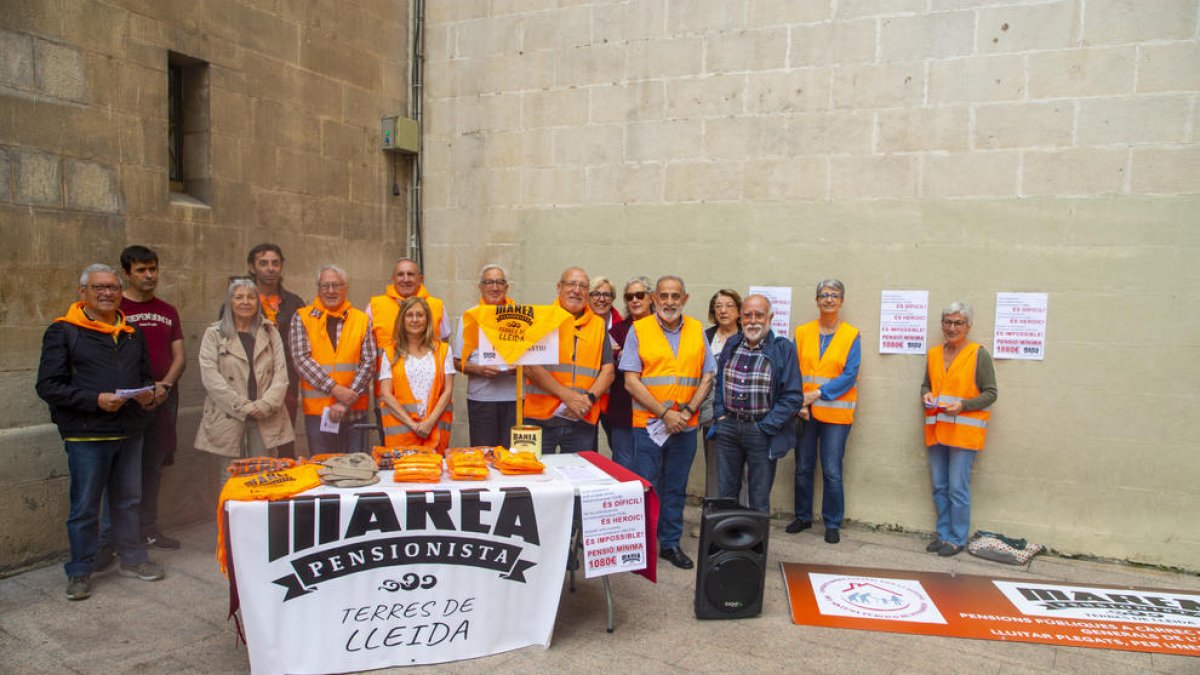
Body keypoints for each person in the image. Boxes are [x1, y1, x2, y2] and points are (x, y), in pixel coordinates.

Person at [36, 264, 164, 601]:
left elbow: (144, 376)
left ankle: (132, 559)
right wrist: (94, 400)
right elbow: (48, 386)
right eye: (98, 288)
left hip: (129, 430)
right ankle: (80, 570)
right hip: (87, 434)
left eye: (112, 287)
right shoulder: (63, 331)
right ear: (83, 293)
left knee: (128, 501)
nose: (106, 293)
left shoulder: (132, 332)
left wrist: (148, 393)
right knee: (85, 506)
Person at [622, 275, 715, 569]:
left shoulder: (697, 330)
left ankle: (670, 544)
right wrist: (665, 414)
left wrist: (686, 413)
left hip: (685, 427)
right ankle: (641, 548)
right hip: (649, 426)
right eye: (664, 296)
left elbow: (708, 376)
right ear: (654, 299)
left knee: (676, 487)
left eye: (676, 296)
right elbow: (630, 381)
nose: (670, 301)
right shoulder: (639, 330)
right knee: (646, 486)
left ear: (685, 299)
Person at [113, 245, 185, 551]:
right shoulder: (116, 309)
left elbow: (179, 355)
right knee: (123, 471)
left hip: (162, 398)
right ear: (127, 273)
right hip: (129, 401)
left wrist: (164, 386)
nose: (149, 275)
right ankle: (120, 537)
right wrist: (141, 392)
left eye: (153, 268)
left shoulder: (167, 310)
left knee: (153, 466)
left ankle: (150, 528)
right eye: (141, 270)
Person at [710, 295, 803, 513]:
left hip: (761, 431)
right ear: (741, 318)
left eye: (759, 315)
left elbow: (793, 396)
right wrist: (720, 415)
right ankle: (727, 544)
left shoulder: (783, 349)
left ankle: (755, 547)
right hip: (728, 428)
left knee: (759, 497)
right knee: (726, 494)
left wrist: (765, 427)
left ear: (770, 317)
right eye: (748, 315)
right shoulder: (732, 344)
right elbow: (719, 382)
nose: (753, 320)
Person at [922, 302, 998, 557]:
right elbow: (926, 385)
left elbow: (991, 393)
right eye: (947, 322)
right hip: (937, 429)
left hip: (963, 434)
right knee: (940, 486)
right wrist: (926, 395)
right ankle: (943, 534)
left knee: (957, 487)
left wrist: (964, 405)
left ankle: (957, 538)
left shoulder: (978, 354)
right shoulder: (933, 354)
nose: (952, 327)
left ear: (968, 326)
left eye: (958, 323)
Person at [788, 279, 861, 544]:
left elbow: (850, 375)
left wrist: (817, 394)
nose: (828, 299)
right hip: (805, 413)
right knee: (803, 466)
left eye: (834, 295)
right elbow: (792, 370)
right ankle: (803, 516)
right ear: (817, 300)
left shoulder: (851, 334)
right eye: (823, 295)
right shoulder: (803, 332)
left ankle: (832, 522)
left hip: (836, 416)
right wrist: (802, 403)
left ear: (841, 301)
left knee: (831, 469)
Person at [195, 279, 295, 461]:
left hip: (264, 415)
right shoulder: (214, 334)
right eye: (239, 297)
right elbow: (211, 378)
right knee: (230, 478)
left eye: (251, 297)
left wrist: (263, 405)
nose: (245, 302)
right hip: (228, 415)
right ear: (229, 302)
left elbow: (281, 375)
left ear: (258, 302)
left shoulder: (270, 331)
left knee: (262, 476)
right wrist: (243, 407)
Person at [523, 267, 615, 453]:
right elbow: (531, 368)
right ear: (559, 287)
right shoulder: (540, 320)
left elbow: (608, 370)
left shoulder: (598, 325)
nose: (577, 290)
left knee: (579, 478)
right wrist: (568, 397)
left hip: (582, 419)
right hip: (539, 418)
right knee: (534, 477)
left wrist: (587, 399)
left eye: (583, 286)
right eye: (571, 284)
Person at [289, 264, 377, 454]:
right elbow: (301, 360)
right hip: (318, 414)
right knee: (323, 470)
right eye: (325, 286)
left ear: (346, 287)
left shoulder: (361, 320)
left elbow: (369, 362)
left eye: (336, 285)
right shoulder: (302, 317)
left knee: (356, 472)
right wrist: (336, 390)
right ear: (318, 288)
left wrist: (345, 401)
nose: (331, 291)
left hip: (354, 412)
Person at [246, 243, 305, 458]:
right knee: (252, 447)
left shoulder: (294, 302)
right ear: (252, 267)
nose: (270, 268)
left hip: (285, 382)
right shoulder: (240, 300)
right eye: (263, 263)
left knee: (286, 444)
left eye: (275, 263)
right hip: (250, 381)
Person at [453, 264, 518, 447]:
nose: (494, 287)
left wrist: (521, 368)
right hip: (482, 399)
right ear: (480, 287)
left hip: (514, 399)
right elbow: (458, 362)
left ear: (506, 287)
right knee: (485, 455)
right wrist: (479, 369)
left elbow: (532, 357)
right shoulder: (470, 317)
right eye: (489, 282)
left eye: (499, 282)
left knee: (512, 456)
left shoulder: (521, 316)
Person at [379, 297, 455, 450]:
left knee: (433, 473)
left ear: (427, 319)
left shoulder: (443, 350)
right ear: (402, 319)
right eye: (409, 315)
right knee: (403, 473)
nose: (415, 319)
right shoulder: (390, 352)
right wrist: (413, 425)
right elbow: (385, 393)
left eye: (420, 315)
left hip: (434, 430)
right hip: (402, 432)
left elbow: (447, 391)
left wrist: (428, 423)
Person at [606, 275, 654, 468]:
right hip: (623, 412)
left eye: (640, 295)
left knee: (652, 470)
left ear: (651, 298)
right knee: (624, 469)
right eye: (629, 296)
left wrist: (625, 354)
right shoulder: (617, 331)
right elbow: (611, 364)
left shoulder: (664, 328)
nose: (634, 300)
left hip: (656, 413)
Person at [699, 289, 742, 498]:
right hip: (711, 413)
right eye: (718, 306)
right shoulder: (705, 337)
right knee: (714, 467)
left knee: (742, 469)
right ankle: (714, 522)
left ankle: (742, 520)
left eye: (729, 305)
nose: (723, 310)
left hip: (741, 413)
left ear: (739, 310)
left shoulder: (747, 336)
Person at [369, 258, 450, 358]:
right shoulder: (375, 306)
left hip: (429, 372)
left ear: (420, 278)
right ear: (393, 278)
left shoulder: (437, 306)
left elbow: (444, 343)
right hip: (386, 371)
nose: (406, 279)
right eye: (400, 274)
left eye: (410, 274)